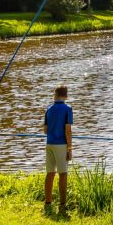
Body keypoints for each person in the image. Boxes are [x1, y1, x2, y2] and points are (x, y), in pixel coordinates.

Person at [42, 84, 73, 214]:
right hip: (61, 145)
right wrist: (70, 148)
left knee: (50, 173)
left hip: (49, 144)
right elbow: (68, 131)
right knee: (63, 174)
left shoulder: (48, 109)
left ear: (55, 95)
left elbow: (45, 130)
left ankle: (48, 202)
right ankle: (62, 204)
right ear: (65, 96)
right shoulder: (67, 109)